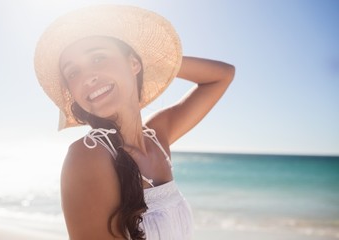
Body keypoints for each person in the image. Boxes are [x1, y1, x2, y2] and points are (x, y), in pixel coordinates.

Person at [34, 5, 235, 240]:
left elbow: (222, 76)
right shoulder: (87, 156)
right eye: (73, 73)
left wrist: (152, 59)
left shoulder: (158, 137)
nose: (88, 76)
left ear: (134, 64)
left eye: (98, 58)